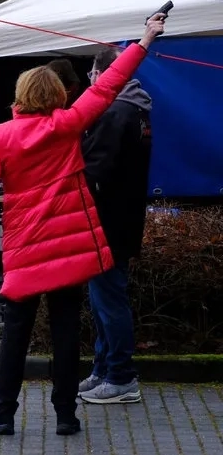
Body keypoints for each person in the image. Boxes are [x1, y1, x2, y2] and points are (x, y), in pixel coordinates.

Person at [0, 14, 166, 438]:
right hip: (68, 252)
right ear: (57, 94)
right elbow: (108, 85)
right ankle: (66, 416)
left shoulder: (0, 136)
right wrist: (144, 40)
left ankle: (3, 416)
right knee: (66, 332)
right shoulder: (68, 126)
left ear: (20, 95)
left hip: (24, 250)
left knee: (16, 334)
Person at [78, 45, 154, 406]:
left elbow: (95, 170)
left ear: (103, 75)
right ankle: (104, 368)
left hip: (106, 221)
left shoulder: (115, 113)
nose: (90, 82)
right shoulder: (137, 109)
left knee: (108, 300)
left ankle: (120, 376)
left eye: (93, 74)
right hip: (123, 217)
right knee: (103, 298)